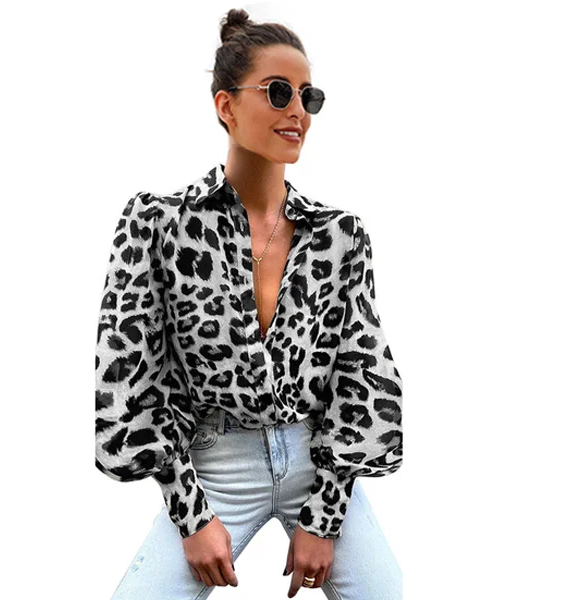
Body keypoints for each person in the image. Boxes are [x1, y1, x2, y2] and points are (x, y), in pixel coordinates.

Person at [95, 8, 403, 599]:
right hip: (212, 464)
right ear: (226, 105)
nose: (298, 111)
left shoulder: (339, 235)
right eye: (279, 91)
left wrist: (325, 515)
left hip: (315, 458)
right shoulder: (159, 223)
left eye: (309, 96)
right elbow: (130, 374)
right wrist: (190, 514)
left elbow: (362, 374)